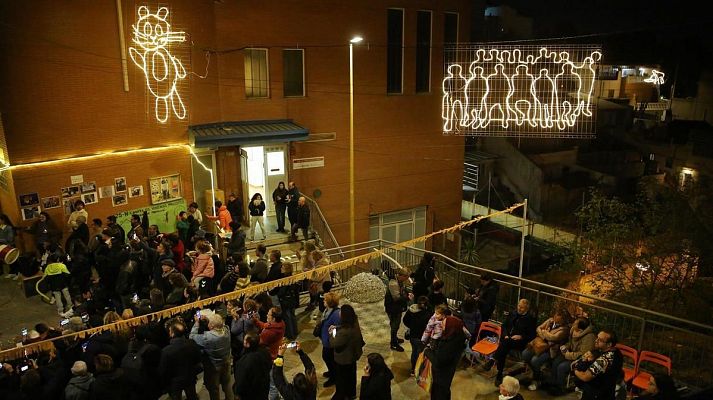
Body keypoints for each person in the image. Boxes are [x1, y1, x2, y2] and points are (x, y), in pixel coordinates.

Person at [484, 299, 537, 385]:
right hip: (507, 338)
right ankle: (499, 374)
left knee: (504, 344)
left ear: (527, 308)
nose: (519, 308)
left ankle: (493, 361)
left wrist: (521, 336)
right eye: (519, 306)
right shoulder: (513, 313)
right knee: (504, 346)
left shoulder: (530, 319)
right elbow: (504, 326)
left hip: (520, 342)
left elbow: (532, 335)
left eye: (522, 307)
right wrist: (505, 334)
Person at [522, 308, 571, 391]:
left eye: (561, 317)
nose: (557, 318)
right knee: (525, 354)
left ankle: (536, 380)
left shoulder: (565, 329)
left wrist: (543, 332)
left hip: (551, 350)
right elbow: (538, 328)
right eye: (557, 315)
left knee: (535, 360)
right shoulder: (550, 320)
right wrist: (545, 334)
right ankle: (536, 373)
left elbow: (554, 337)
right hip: (539, 345)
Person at [190, 313, 234, 400]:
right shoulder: (227, 330)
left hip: (213, 367)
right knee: (227, 385)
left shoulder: (208, 337)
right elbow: (221, 324)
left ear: (212, 326)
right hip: (226, 362)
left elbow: (192, 337)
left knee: (214, 389)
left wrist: (196, 323)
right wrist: (208, 319)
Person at [548, 317, 596, 396]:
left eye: (575, 323)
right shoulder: (574, 331)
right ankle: (553, 383)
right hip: (570, 354)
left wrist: (567, 354)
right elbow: (570, 343)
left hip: (579, 359)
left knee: (562, 367)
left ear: (580, 327)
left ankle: (560, 388)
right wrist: (565, 347)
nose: (573, 324)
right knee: (556, 361)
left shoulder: (589, 337)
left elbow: (583, 354)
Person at [425, 316, 468, 400]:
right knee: (445, 391)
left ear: (451, 327)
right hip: (448, 373)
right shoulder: (457, 337)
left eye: (444, 324)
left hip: (441, 375)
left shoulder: (449, 345)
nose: (441, 325)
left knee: (439, 393)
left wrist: (427, 351)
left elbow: (438, 362)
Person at [573, 329, 624, 400]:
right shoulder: (617, 352)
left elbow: (585, 377)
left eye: (600, 340)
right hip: (608, 391)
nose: (596, 340)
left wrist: (574, 369)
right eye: (597, 337)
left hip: (597, 393)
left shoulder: (604, 359)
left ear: (609, 344)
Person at [159, 320, 202, 400]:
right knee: (192, 396)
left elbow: (164, 370)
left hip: (175, 382)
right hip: (190, 376)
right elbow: (198, 358)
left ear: (172, 333)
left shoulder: (166, 351)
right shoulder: (191, 343)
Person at [329, 304, 365, 400]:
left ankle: (342, 395)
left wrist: (332, 332)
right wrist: (336, 327)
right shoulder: (354, 322)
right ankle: (351, 394)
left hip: (344, 359)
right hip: (353, 356)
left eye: (341, 312)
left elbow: (333, 342)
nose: (339, 313)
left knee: (342, 379)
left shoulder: (345, 332)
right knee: (351, 376)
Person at [234, 332, 272, 400]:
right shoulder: (265, 352)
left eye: (244, 340)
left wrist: (237, 392)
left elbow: (241, 381)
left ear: (247, 344)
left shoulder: (245, 361)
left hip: (250, 394)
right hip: (264, 388)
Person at [403, 296, 431, 376]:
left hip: (413, 335)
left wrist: (411, 326)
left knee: (414, 352)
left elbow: (405, 320)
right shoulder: (426, 314)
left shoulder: (411, 310)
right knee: (419, 353)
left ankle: (413, 369)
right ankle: (417, 369)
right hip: (421, 337)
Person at [384, 267, 410, 352]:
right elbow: (397, 298)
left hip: (396, 307)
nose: (407, 280)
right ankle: (393, 344)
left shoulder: (399, 281)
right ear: (402, 276)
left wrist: (406, 292)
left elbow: (402, 290)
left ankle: (395, 338)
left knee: (397, 324)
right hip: (392, 308)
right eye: (406, 278)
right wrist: (407, 298)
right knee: (394, 325)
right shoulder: (393, 283)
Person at [320, 292, 341, 387]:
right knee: (326, 357)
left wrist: (332, 340)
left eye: (325, 300)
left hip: (330, 343)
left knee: (330, 359)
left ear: (329, 302)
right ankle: (331, 372)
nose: (323, 301)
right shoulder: (327, 310)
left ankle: (334, 377)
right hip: (325, 340)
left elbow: (336, 329)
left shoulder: (336, 314)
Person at [278, 262, 300, 340]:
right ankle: (295, 331)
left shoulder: (285, 279)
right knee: (292, 316)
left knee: (287, 318)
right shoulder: (293, 277)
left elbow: (282, 292)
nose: (281, 269)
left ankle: (290, 335)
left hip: (286, 300)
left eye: (282, 268)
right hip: (292, 300)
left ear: (286, 270)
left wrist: (279, 294)